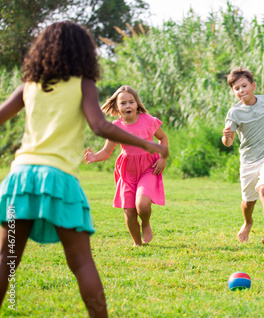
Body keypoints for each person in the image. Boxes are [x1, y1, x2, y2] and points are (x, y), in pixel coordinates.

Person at [0, 21, 167, 317]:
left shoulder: (29, 85)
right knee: (82, 263)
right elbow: (99, 125)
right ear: (83, 53)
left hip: (20, 179)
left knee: (6, 260)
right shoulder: (82, 84)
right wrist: (149, 146)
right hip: (58, 180)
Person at [85, 86, 168, 247]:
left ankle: (145, 223)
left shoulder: (148, 120)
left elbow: (162, 138)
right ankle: (137, 243)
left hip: (148, 167)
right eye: (123, 103)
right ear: (117, 107)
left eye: (131, 102)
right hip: (127, 172)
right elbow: (106, 151)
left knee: (142, 205)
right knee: (129, 211)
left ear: (137, 104)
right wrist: (95, 157)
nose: (128, 105)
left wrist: (163, 158)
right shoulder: (115, 127)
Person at [222, 67, 264, 248]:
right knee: (248, 202)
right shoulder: (234, 112)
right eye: (237, 88)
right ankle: (248, 222)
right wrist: (227, 136)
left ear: (253, 85)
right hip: (248, 159)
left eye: (244, 86)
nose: (241, 91)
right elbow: (227, 143)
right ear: (234, 92)